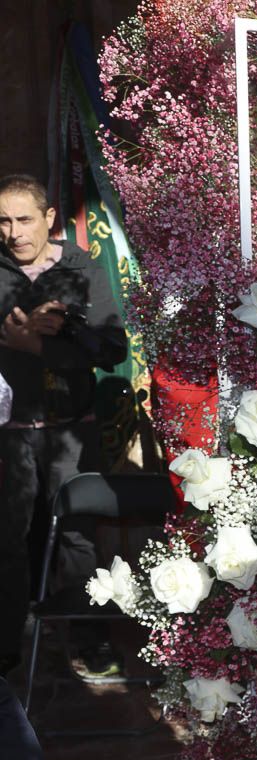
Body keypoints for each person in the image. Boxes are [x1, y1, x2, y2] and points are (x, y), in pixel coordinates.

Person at [0, 174, 127, 675]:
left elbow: (113, 346)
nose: (13, 233)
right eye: (3, 221)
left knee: (77, 535)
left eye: (24, 219)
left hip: (72, 428)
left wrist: (51, 340)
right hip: (9, 433)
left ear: (49, 218)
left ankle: (87, 636)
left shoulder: (83, 267)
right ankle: (9, 644)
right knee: (7, 537)